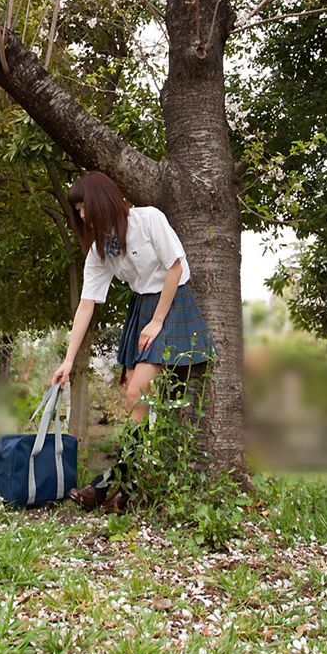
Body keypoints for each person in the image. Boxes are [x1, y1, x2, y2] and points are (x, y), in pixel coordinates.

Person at [49, 170, 215, 512]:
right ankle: (126, 489)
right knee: (139, 405)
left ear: (100, 199)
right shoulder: (100, 249)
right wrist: (68, 359)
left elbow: (174, 267)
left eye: (83, 207)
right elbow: (86, 302)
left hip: (173, 301)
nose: (81, 215)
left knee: (135, 392)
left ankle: (107, 486)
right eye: (77, 210)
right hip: (142, 306)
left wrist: (157, 321)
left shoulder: (149, 219)